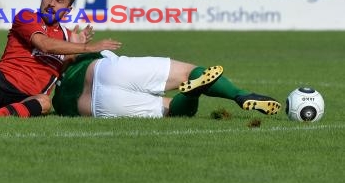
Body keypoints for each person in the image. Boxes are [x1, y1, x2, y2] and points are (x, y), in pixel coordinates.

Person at [52, 50, 281, 118]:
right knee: (189, 72)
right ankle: (240, 95)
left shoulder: (51, 96)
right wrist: (81, 46)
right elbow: (64, 49)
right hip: (103, 71)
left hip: (89, 107)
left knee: (173, 110)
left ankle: (193, 94)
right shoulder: (72, 51)